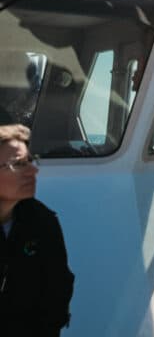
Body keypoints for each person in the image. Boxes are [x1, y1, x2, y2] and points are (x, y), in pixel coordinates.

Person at [0, 123, 73, 336]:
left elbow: (58, 290)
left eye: (30, 161)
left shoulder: (43, 223)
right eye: (18, 164)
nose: (33, 170)